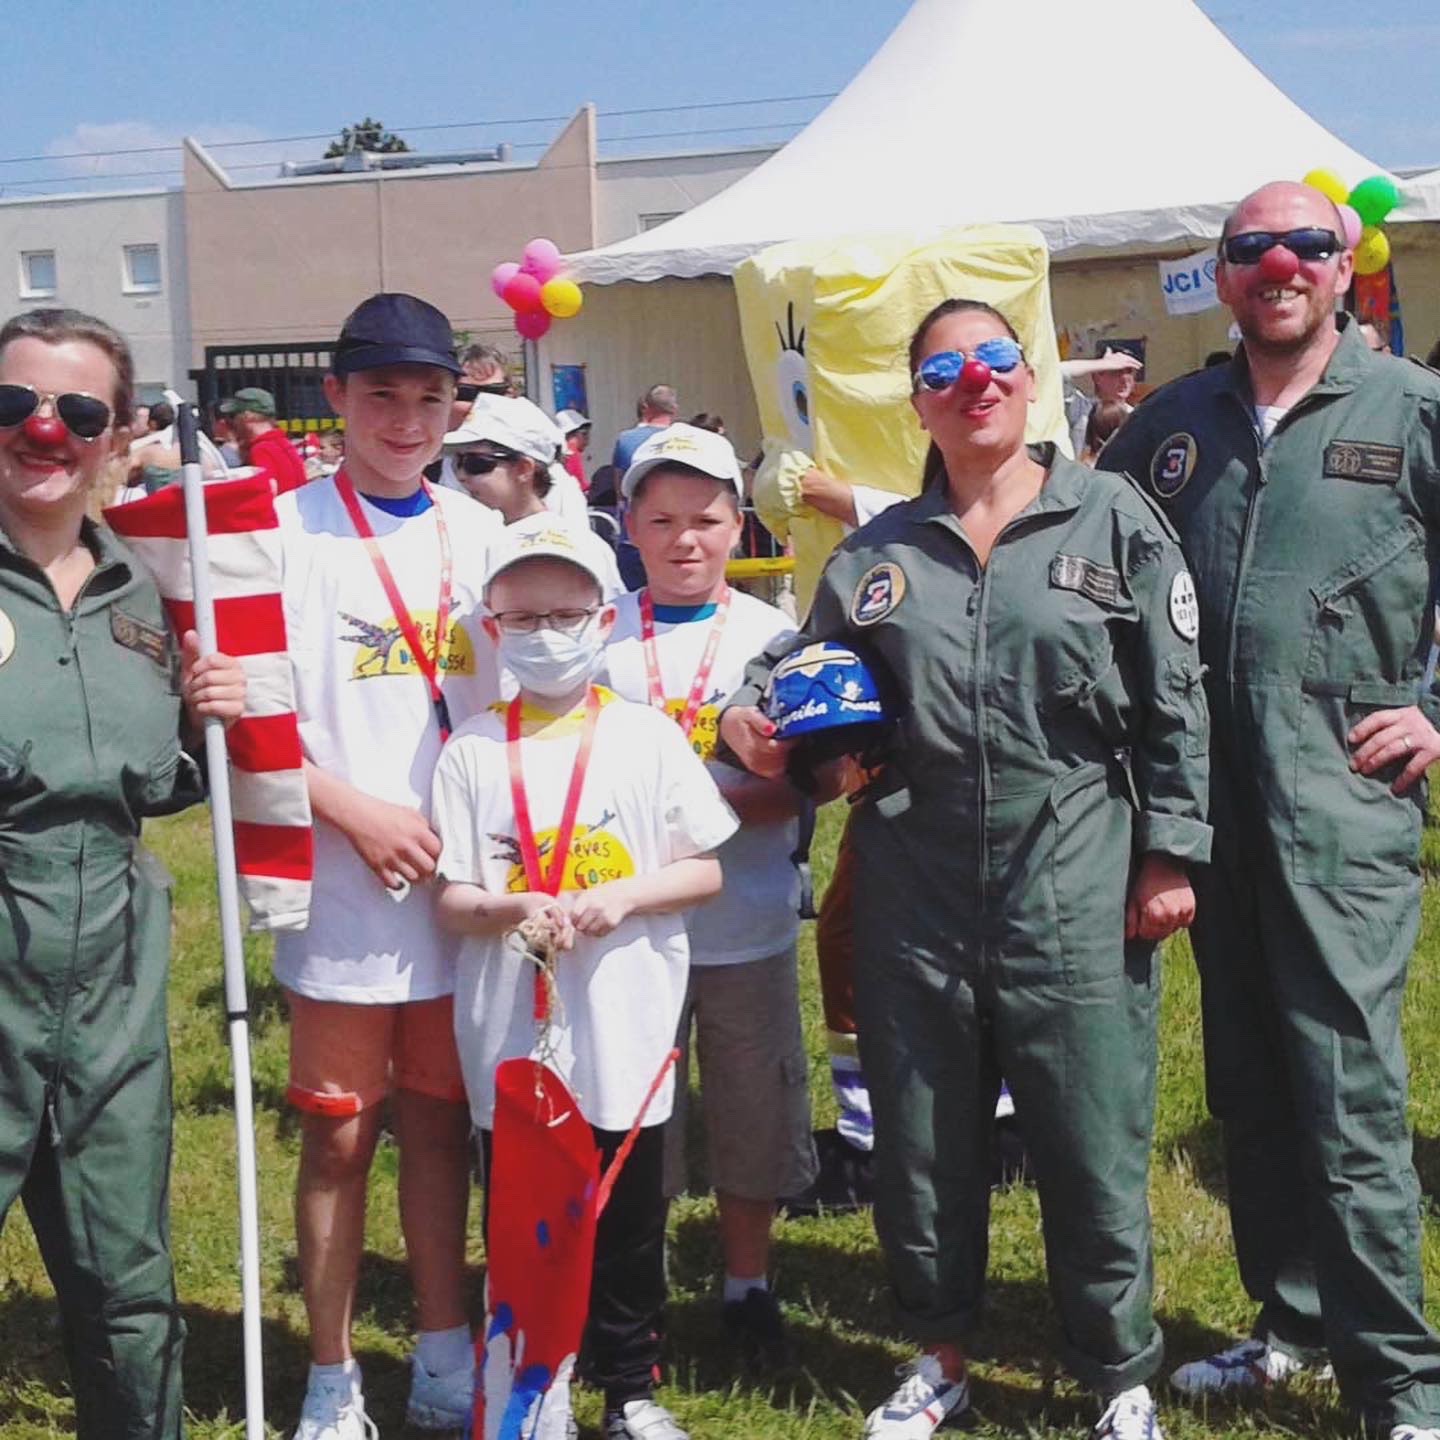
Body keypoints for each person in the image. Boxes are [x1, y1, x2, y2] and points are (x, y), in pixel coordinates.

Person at [721, 297, 1211, 1440]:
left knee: (1090, 1137)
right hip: (914, 883)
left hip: (1075, 876)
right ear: (918, 400)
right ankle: (938, 1353)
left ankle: (1117, 1369)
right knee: (923, 1139)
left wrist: (1170, 852)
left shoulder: (1113, 520)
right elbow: (801, 666)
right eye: (944, 370)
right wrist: (749, 720)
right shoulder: (879, 553)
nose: (973, 383)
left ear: (1029, 379)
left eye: (994, 360)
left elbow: (1177, 705)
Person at [1099, 179, 1440, 1439]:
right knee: (1248, 1080)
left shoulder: (1410, 411)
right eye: (1253, 250)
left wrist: (1437, 708)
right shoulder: (1174, 422)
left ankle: (1401, 1386)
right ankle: (1290, 1322)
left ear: (1345, 268)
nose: (1280, 265)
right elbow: (1087, 553)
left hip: (1341, 807)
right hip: (1202, 814)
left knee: (1345, 1086)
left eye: (1306, 245)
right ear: (1227, 276)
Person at [432, 528, 737, 1440]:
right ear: (493, 629)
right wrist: (508, 906)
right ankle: (535, 1373)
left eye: (566, 616)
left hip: (626, 1019)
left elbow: (706, 871)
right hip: (510, 1036)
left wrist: (622, 898)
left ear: (605, 621)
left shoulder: (645, 738)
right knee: (525, 1211)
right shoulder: (474, 751)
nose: (546, 633)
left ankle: (629, 1382)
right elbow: (452, 897)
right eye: (523, 618)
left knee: (630, 1209)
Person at [0, 306, 245, 1438]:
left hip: (111, 988)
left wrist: (205, 727)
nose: (43, 430)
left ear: (116, 434)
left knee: (129, 1294)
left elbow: (156, 785)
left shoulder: (141, 596)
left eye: (77, 411)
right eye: (15, 405)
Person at [273, 293, 504, 1440]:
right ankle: (327, 1374)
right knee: (338, 1134)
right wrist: (354, 810)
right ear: (338, 400)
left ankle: (442, 1349)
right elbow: (247, 725)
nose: (407, 420)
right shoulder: (280, 533)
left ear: (455, 407)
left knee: (438, 1124)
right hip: (338, 892)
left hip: (460, 896)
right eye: (382, 397)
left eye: (429, 399)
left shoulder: (487, 536)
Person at [601, 423, 818, 1369]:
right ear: (629, 528)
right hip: (632, 928)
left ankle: (747, 1281)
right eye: (661, 520)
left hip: (745, 920)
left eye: (706, 519)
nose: (685, 539)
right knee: (636, 1110)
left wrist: (711, 805)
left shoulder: (774, 637)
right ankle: (631, 1289)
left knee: (751, 1105)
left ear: (740, 525)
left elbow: (806, 783)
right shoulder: (599, 634)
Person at [443, 393, 622, 598]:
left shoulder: (583, 546)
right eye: (457, 462)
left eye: (476, 464)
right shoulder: (464, 539)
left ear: (523, 469)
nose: (462, 476)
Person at [221, 386, 308, 493]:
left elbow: (266, 492)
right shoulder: (284, 443)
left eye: (233, 415)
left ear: (247, 416)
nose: (232, 421)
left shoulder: (261, 450)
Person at [1061, 348, 1142, 458]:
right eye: (1116, 371)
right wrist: (1102, 364)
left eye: (1129, 372)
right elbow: (1056, 373)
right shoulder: (1082, 408)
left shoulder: (1138, 416)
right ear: (1097, 377)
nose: (1124, 379)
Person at [611, 383, 679, 475]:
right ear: (674, 409)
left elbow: (619, 482)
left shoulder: (626, 439)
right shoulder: (687, 438)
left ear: (645, 407)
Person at [556, 407, 591, 492]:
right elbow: (580, 486)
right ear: (570, 435)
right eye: (584, 434)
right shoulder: (571, 453)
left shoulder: (560, 453)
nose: (587, 440)